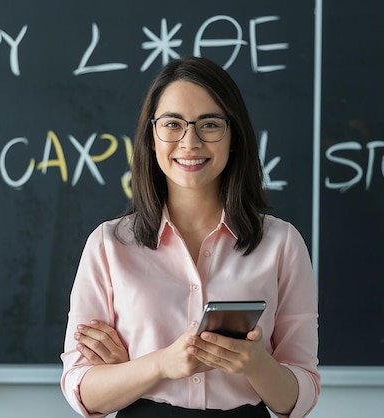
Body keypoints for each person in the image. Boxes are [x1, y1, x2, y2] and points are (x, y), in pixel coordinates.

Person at [60, 56, 320, 418]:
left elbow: (302, 394)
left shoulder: (282, 244)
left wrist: (257, 364)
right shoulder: (109, 245)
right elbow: (81, 390)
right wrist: (158, 365)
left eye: (210, 124)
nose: (190, 141)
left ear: (234, 137)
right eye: (172, 124)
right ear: (152, 137)